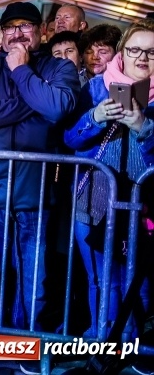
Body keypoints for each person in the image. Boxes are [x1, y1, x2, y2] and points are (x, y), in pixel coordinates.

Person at [0, 2, 80, 372]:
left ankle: (23, 342)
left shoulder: (59, 67)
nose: (17, 34)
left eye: (26, 26)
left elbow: (59, 108)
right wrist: (34, 99)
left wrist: (22, 71)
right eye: (10, 27)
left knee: (33, 275)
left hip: (36, 191)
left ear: (41, 32)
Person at [64, 19, 154, 341]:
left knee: (138, 281)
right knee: (101, 278)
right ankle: (101, 337)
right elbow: (71, 139)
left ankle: (132, 340)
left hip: (143, 204)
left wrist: (146, 128)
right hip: (95, 198)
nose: (142, 57)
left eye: (152, 52)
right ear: (123, 52)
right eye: (135, 49)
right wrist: (95, 117)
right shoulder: (96, 87)